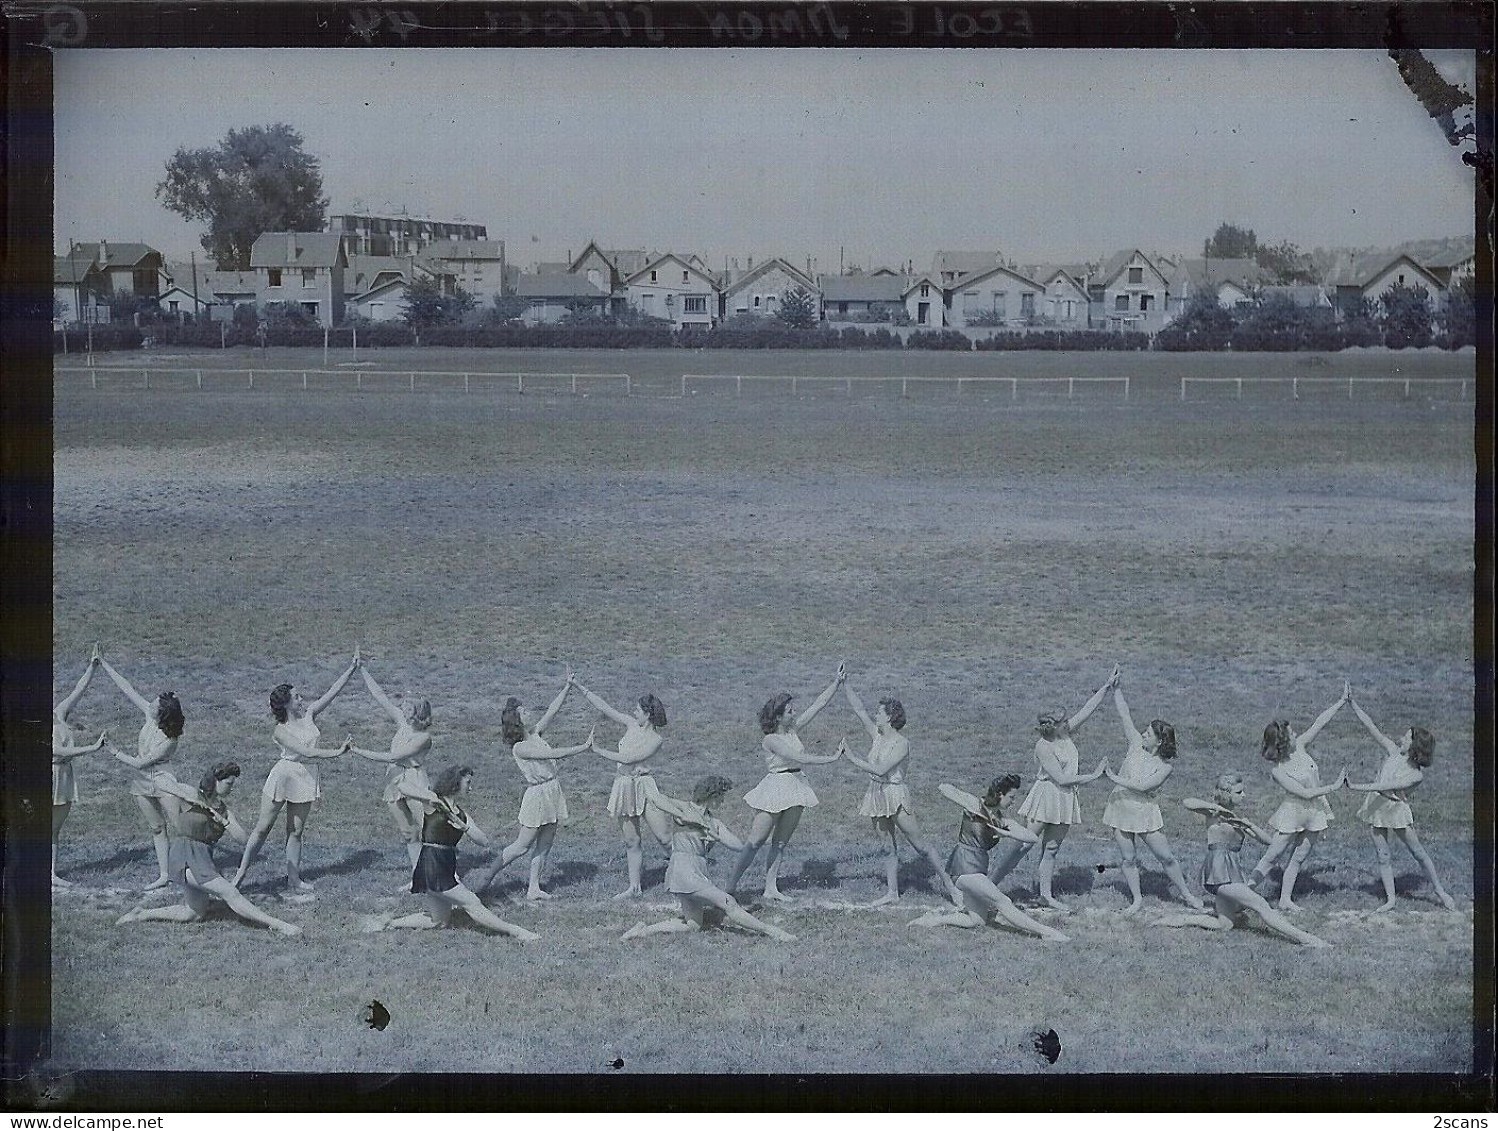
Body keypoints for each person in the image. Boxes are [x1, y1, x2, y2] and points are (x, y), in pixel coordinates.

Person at [116, 762, 302, 936]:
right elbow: (159, 781)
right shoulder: (192, 794)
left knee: (193, 914)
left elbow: (243, 839)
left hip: (204, 857)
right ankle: (278, 925)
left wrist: (223, 821)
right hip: (184, 854)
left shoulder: (224, 810)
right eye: (228, 783)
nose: (231, 787)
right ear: (215, 781)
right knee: (230, 893)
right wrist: (187, 796)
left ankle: (141, 914)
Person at [987, 668, 1115, 911]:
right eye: (1063, 720)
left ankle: (1045, 895)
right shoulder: (1043, 747)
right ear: (1053, 726)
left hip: (1065, 799)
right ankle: (990, 886)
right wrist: (1095, 775)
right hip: (1046, 796)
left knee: (1052, 848)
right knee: (1023, 845)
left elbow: (1088, 710)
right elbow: (1061, 778)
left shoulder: (1065, 732)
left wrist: (1106, 686)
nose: (1069, 722)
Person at [362, 765, 540, 940]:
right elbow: (402, 787)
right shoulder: (433, 801)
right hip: (432, 863)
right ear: (455, 783)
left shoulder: (461, 814)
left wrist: (464, 827)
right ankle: (516, 932)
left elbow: (483, 841)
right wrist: (428, 796)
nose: (470, 787)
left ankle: (389, 923)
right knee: (472, 902)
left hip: (445, 864)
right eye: (467, 782)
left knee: (438, 921)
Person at [231, 651, 359, 895]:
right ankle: (240, 874)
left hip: (305, 778)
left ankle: (294, 879)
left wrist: (351, 669)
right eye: (297, 697)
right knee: (262, 828)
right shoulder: (280, 731)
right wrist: (338, 752)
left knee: (296, 831)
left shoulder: (309, 714)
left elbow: (332, 693)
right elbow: (306, 753)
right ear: (287, 703)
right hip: (284, 777)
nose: (302, 699)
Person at [1155, 774, 1330, 947]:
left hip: (1231, 871)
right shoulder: (1213, 812)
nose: (1244, 795)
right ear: (1226, 793)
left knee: (1225, 924)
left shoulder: (1238, 818)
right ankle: (1306, 939)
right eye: (1239, 792)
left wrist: (1248, 826)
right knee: (1261, 905)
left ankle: (1182, 919)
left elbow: (1269, 842)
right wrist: (1218, 809)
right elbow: (1188, 802)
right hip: (1218, 871)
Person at [622, 776, 795, 942]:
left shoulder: (714, 822)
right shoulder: (685, 808)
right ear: (713, 796)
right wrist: (685, 816)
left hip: (696, 870)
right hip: (683, 870)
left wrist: (729, 839)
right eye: (721, 796)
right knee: (729, 903)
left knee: (693, 925)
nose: (722, 801)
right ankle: (772, 932)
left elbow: (736, 845)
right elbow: (657, 799)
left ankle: (642, 931)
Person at [725, 666, 847, 903]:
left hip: (795, 786)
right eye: (790, 711)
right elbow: (799, 757)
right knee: (755, 841)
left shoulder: (792, 729)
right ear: (779, 716)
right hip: (775, 788)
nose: (795, 713)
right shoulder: (771, 740)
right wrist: (831, 758)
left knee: (780, 843)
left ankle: (770, 888)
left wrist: (836, 682)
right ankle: (730, 886)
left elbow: (817, 706)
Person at [839, 673, 959, 906]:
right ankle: (892, 893)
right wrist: (845, 683)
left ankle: (952, 888)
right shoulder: (877, 735)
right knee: (887, 847)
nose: (875, 715)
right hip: (876, 794)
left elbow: (882, 770)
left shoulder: (902, 743)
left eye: (880, 712)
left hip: (895, 794)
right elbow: (860, 710)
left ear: (890, 717)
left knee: (921, 846)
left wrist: (851, 758)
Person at [908, 777, 1070, 941]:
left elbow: (1031, 837)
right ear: (1000, 794)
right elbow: (944, 787)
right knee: (1003, 901)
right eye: (1011, 797)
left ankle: (932, 920)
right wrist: (967, 802)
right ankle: (1046, 932)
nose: (1013, 802)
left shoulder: (1002, 821)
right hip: (963, 866)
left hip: (978, 868)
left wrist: (1006, 833)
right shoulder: (975, 806)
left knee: (976, 920)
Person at [472, 682, 593, 900]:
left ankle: (534, 888)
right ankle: (487, 877)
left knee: (545, 843)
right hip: (537, 796)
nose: (529, 713)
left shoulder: (535, 733)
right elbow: (553, 754)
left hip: (552, 791)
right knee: (521, 846)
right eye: (524, 712)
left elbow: (552, 711)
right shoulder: (521, 747)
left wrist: (567, 687)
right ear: (517, 721)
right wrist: (584, 747)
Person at [1100, 677, 1205, 914]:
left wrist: (1112, 776)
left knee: (1166, 857)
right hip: (1120, 807)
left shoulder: (1165, 767)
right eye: (1145, 731)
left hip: (1144, 812)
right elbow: (1124, 715)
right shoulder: (1135, 744)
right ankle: (1136, 900)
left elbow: (1143, 788)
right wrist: (1117, 689)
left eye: (1148, 733)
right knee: (1128, 858)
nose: (1143, 734)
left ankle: (1186, 895)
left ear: (1160, 741)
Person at [1345, 691, 1457, 911]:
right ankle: (1391, 900)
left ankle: (1440, 892)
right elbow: (1372, 728)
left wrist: (1357, 786)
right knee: (1383, 855)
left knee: (1418, 853)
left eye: (1406, 738)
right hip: (1377, 808)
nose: (1400, 739)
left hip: (1396, 811)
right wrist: (1353, 703)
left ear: (1415, 746)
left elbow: (1386, 788)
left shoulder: (1416, 774)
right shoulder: (1392, 751)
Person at [1249, 683, 1349, 911]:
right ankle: (1244, 894)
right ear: (1283, 741)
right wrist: (1333, 786)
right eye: (1292, 733)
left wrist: (1341, 701)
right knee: (1272, 855)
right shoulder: (1278, 770)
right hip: (1294, 812)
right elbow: (1304, 793)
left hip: (1314, 811)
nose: (1297, 734)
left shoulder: (1301, 746)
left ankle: (1285, 899)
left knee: (1299, 858)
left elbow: (1320, 722)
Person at [571, 674, 671, 898]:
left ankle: (685, 867)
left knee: (664, 837)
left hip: (644, 786)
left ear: (648, 714)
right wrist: (579, 686)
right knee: (631, 840)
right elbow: (605, 708)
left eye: (638, 710)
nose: (634, 712)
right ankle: (634, 887)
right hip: (624, 787)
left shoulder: (656, 739)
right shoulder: (630, 723)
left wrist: (596, 750)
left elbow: (630, 759)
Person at [97, 651, 187, 890]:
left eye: (156, 703)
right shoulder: (150, 713)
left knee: (182, 828)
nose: (152, 703)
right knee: (157, 827)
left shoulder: (170, 740)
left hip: (163, 780)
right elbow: (127, 688)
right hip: (141, 782)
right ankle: (164, 874)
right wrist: (104, 663)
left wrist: (114, 751)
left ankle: (197, 868)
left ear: (162, 714)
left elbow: (140, 763)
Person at [345, 661, 434, 877]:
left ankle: (442, 875)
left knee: (428, 831)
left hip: (414, 780)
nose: (402, 707)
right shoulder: (402, 723)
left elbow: (394, 756)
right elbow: (380, 696)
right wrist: (361, 668)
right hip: (394, 780)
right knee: (407, 832)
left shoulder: (423, 737)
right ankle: (418, 877)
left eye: (407, 706)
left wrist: (356, 750)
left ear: (417, 712)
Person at [51, 647, 107, 887]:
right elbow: (57, 751)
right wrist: (91, 749)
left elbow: (78, 690)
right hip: (49, 775)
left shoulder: (58, 713)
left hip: (63, 775)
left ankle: (51, 874)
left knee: (54, 829)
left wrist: (92, 666)